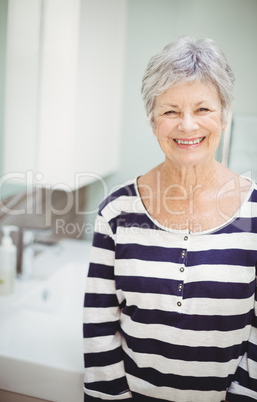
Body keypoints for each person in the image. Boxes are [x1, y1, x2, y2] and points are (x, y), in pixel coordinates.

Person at [83, 36, 257, 401]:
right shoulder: (117, 210)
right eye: (171, 111)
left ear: (224, 114)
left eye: (203, 109)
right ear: (152, 120)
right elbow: (99, 322)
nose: (187, 126)